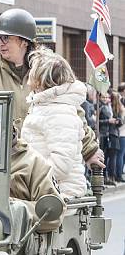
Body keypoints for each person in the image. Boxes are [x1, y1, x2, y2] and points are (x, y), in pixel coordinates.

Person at [0, 8, 104, 170]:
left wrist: (89, 150)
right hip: (4, 160)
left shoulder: (46, 70)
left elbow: (70, 111)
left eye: (6, 38)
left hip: (42, 161)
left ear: (24, 41)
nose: (0, 43)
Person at [21, 48, 87, 199]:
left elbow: (61, 164)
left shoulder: (59, 112)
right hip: (45, 190)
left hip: (57, 194)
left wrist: (27, 177)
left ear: (39, 80)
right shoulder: (45, 106)